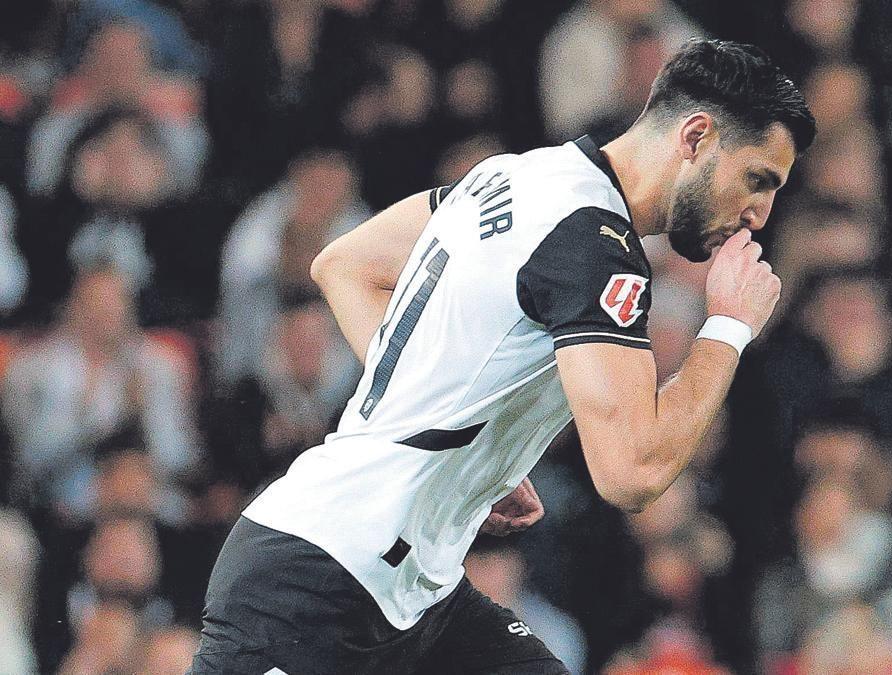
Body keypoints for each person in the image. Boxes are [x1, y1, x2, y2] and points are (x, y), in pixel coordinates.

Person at [190, 39, 815, 674]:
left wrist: (463, 435)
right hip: (315, 588)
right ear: (696, 137)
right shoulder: (592, 243)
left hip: (413, 593)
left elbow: (349, 265)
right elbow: (632, 471)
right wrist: (728, 328)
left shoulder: (514, 175)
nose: (759, 215)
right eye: (756, 179)